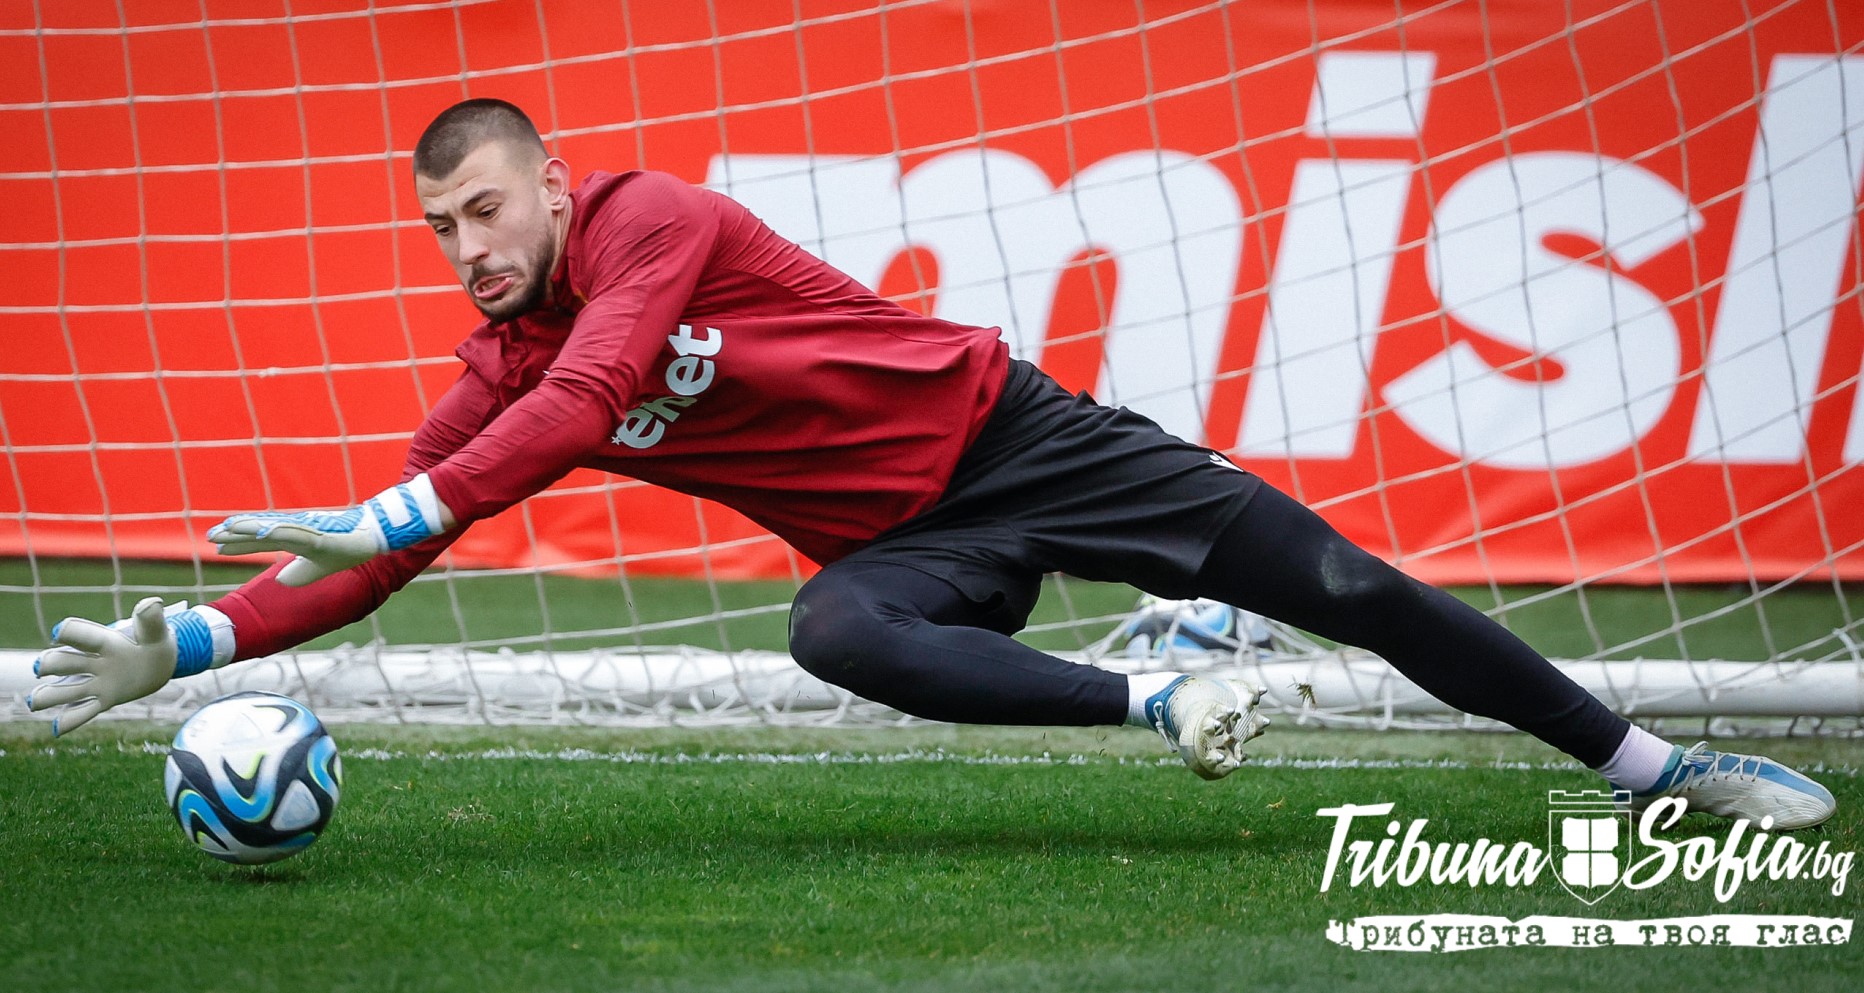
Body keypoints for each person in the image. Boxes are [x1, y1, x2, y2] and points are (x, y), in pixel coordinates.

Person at [29, 99, 1836, 830]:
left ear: (554, 186)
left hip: (1021, 438)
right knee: (833, 631)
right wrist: (196, 640)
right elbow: (377, 558)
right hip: (910, 542)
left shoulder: (655, 220)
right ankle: (1158, 692)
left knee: (1348, 584)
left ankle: (1659, 766)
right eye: (441, 229)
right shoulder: (492, 365)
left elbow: (581, 408)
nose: (467, 247)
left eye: (486, 209)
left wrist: (413, 496)